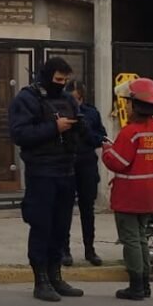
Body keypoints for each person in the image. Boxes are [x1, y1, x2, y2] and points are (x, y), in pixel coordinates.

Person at [8, 56, 87, 301]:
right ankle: (40, 280)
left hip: (66, 170)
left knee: (61, 228)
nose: (62, 85)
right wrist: (54, 128)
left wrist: (79, 127)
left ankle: (56, 276)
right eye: (58, 80)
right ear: (46, 76)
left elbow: (81, 130)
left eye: (65, 81)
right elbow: (20, 134)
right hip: (41, 173)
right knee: (42, 226)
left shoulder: (66, 99)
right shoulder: (26, 99)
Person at [103, 77, 153, 301]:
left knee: (131, 239)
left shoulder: (130, 132)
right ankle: (145, 284)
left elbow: (116, 162)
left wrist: (106, 149)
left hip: (129, 196)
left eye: (128, 102)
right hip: (149, 196)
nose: (126, 106)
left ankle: (136, 286)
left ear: (136, 105)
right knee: (141, 237)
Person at [62, 80, 110, 267]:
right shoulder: (60, 112)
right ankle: (64, 250)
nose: (74, 103)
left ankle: (89, 249)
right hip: (66, 165)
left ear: (82, 97)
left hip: (87, 165)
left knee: (87, 210)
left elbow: (101, 138)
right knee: (64, 209)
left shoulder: (91, 113)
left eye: (77, 99)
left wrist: (85, 129)